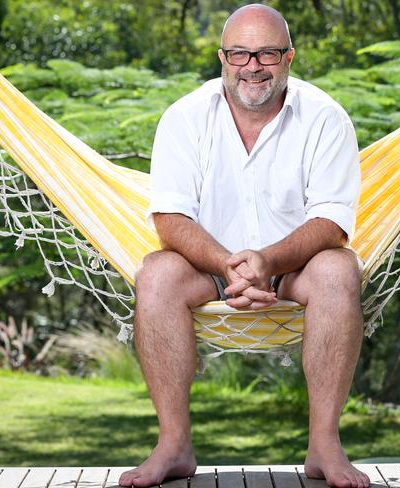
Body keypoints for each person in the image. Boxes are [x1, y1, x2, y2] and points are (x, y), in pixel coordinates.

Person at [119, 4, 369, 488]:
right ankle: (173, 446)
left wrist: (269, 262)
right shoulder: (184, 118)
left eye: (267, 53)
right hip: (207, 267)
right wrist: (230, 267)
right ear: (222, 58)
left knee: (340, 268)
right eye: (240, 53)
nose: (252, 66)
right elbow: (170, 218)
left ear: (289, 57)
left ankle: (324, 445)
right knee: (156, 273)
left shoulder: (326, 119)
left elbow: (332, 222)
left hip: (298, 269)